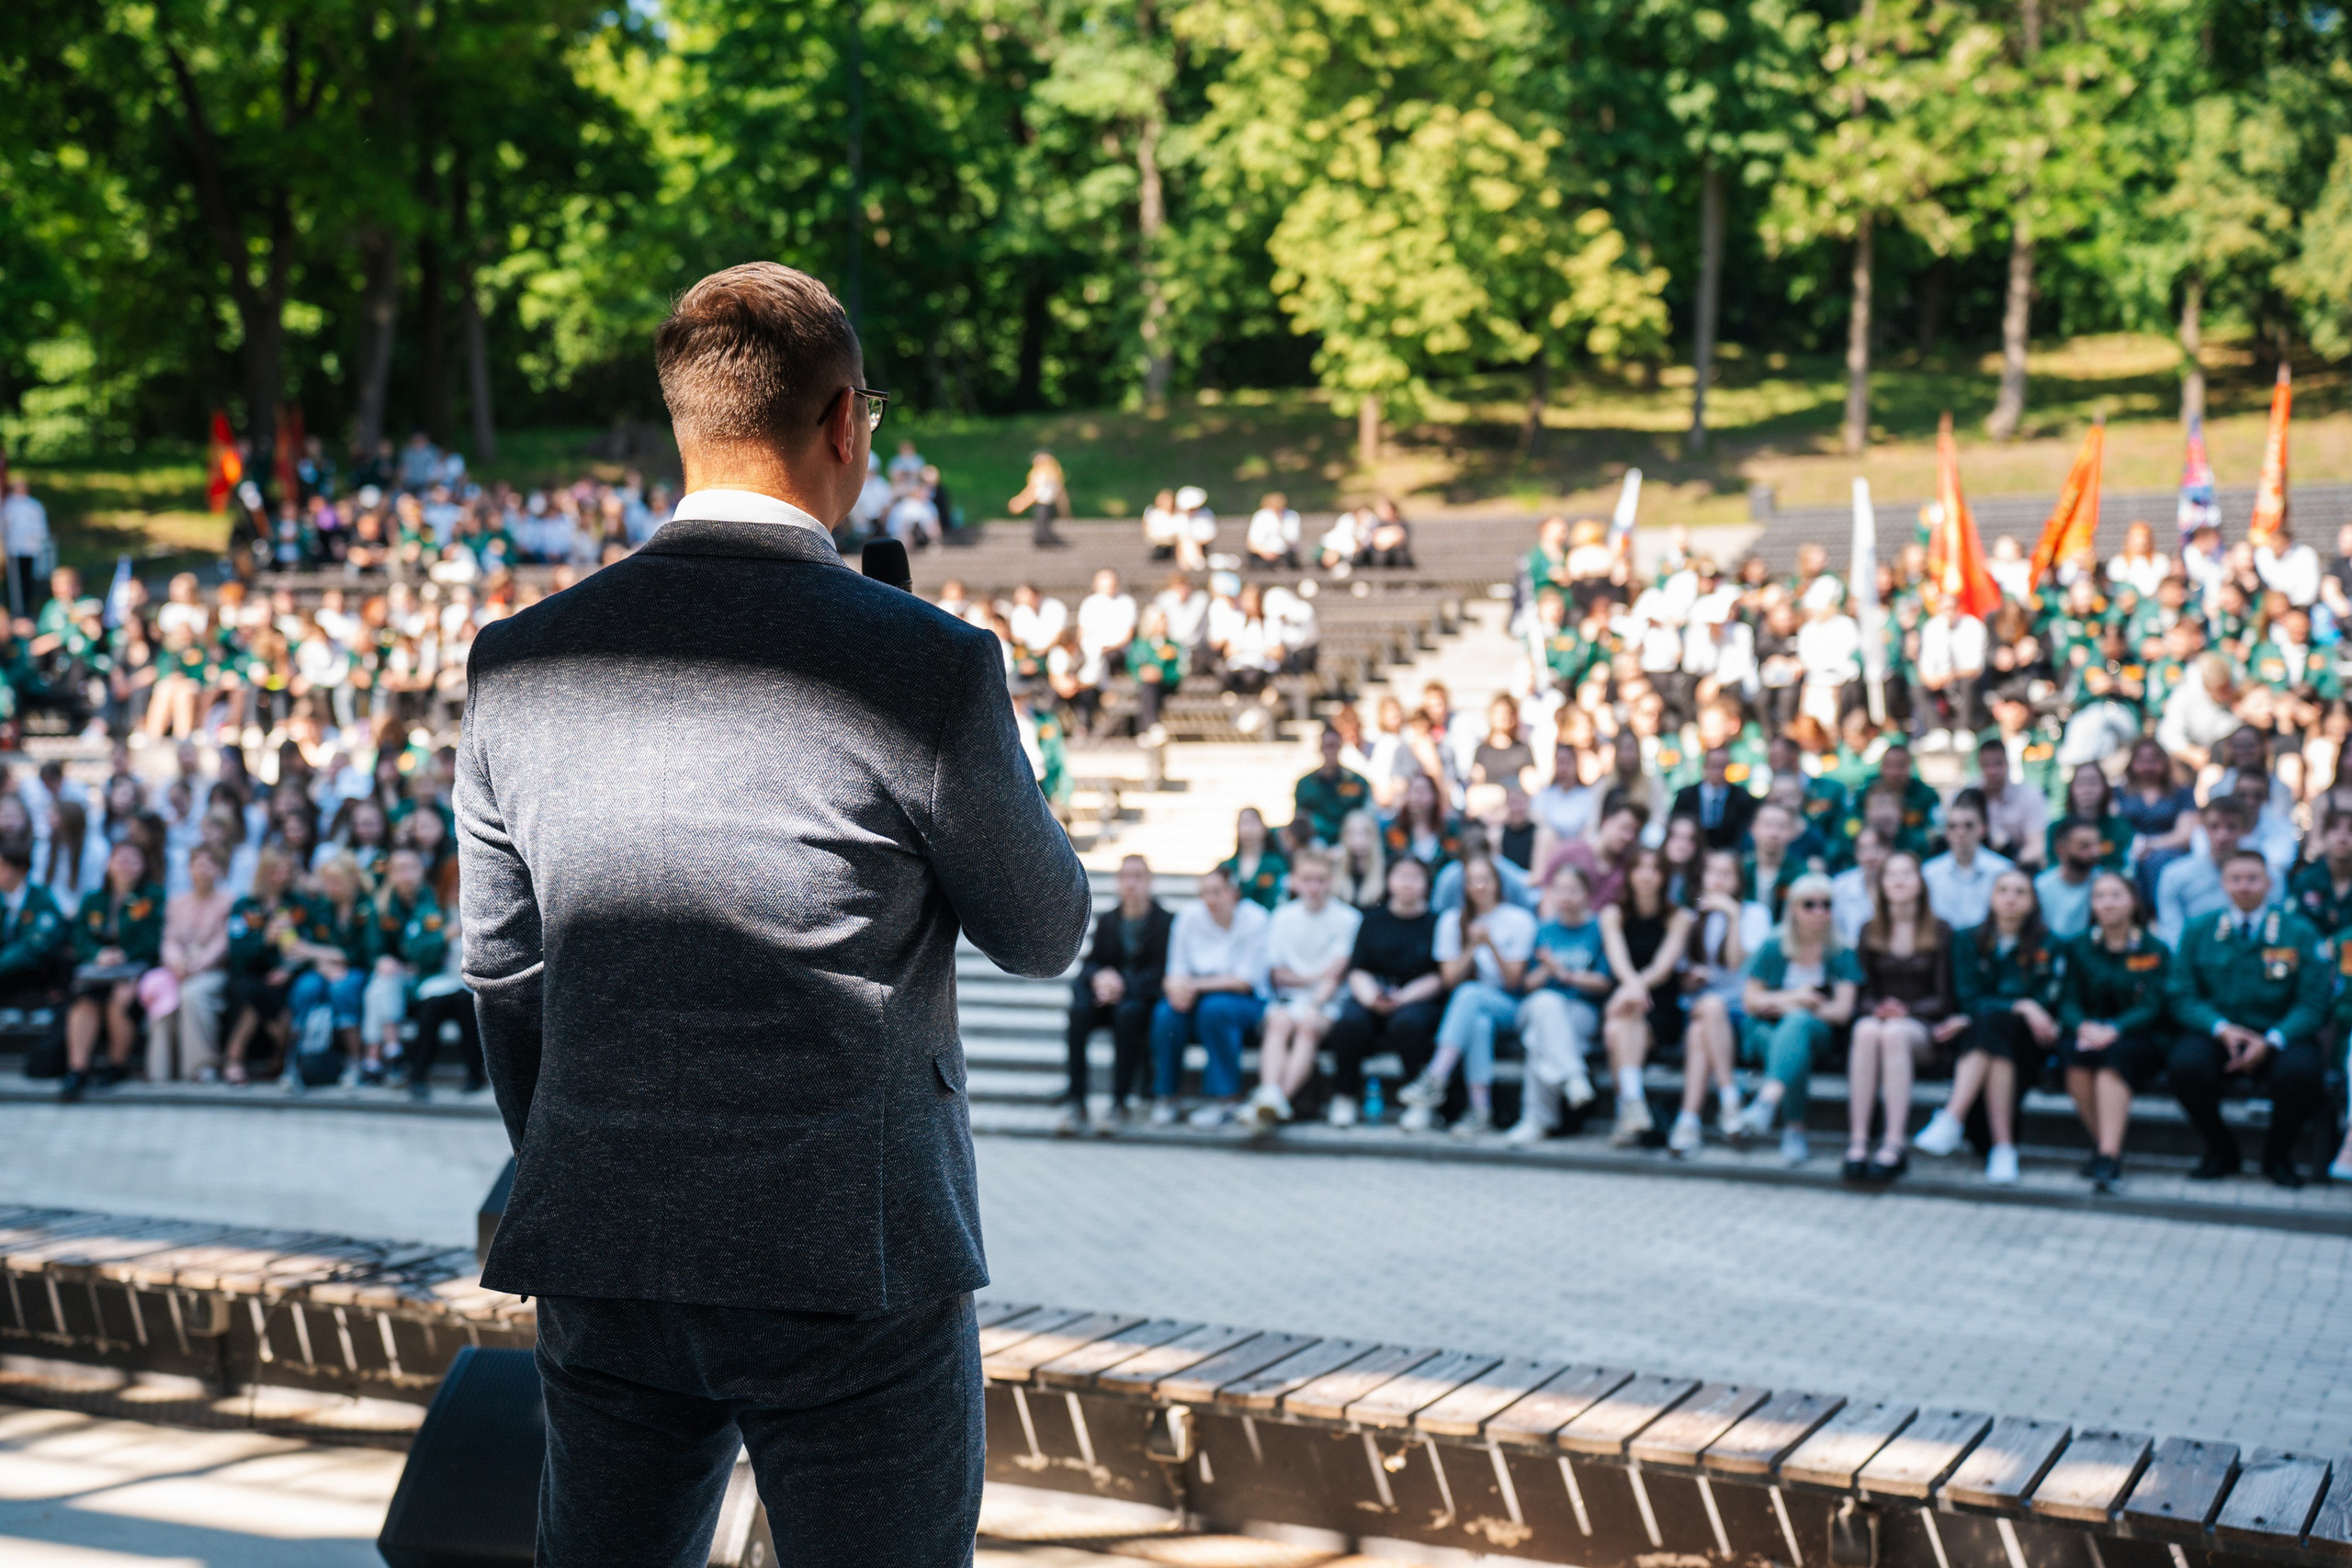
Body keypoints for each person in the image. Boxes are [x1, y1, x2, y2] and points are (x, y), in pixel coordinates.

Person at [455, 263, 1091, 1566]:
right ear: (848, 422)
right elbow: (1045, 928)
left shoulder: (518, 661)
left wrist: (583, 1150)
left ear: (685, 425)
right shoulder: (926, 662)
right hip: (848, 1253)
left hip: (604, 1236)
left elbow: (503, 976)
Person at [2164, 852, 2330, 1187]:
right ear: (2223, 884)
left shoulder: (2298, 932)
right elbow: (2181, 993)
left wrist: (2272, 1039)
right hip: (2218, 1031)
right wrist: (2221, 1029)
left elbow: (2314, 1001)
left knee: (2302, 1072)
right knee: (2185, 1067)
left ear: (2269, 884)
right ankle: (2221, 1150)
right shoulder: (2199, 929)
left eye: (2253, 878)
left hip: (2280, 1033)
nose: (2244, 886)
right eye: (2235, 878)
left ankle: (2277, 1155)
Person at [1914, 868, 2057, 1184]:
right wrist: (2020, 1004)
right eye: (2003, 890)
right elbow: (1967, 998)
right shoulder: (1967, 939)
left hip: (2028, 1043)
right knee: (1992, 1026)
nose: (2010, 898)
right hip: (1982, 1038)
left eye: (2020, 892)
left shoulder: (2049, 943)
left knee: (1992, 1023)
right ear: (1991, 897)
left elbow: (2047, 1001)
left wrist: (2015, 1007)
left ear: (2033, 902)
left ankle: (1952, 1116)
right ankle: (2003, 1148)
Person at [1845, 852, 1963, 1181]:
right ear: (1881, 885)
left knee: (1893, 1032)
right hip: (1881, 1021)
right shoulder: (1869, 930)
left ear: (1920, 883)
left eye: (1907, 874)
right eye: (1891, 875)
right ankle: (1858, 1141)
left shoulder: (1941, 931)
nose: (1898, 881)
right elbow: (1862, 993)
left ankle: (1893, 1143)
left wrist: (1905, 1011)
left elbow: (1945, 997)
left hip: (1924, 1028)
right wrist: (1879, 1009)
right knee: (1866, 1030)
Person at [1398, 854, 1535, 1136]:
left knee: (1470, 994)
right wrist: (1472, 947)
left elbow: (1513, 982)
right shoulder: (1451, 921)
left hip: (1510, 1007)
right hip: (1472, 1009)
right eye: (1473, 881)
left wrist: (1492, 945)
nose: (1479, 887)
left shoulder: (1519, 920)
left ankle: (1435, 1076)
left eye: (1485, 880)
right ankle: (1480, 1110)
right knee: (1477, 1021)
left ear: (1497, 883)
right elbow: (1449, 980)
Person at [2054, 871, 2169, 1190]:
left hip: (2138, 1036)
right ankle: (2107, 1149)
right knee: (2073, 1055)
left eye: (2116, 895)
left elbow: (2154, 1004)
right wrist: (2083, 1026)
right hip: (2088, 1034)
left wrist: (2116, 1028)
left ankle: (2107, 1154)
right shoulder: (2078, 947)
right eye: (2100, 896)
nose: (2108, 903)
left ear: (2133, 901)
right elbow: (2067, 999)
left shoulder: (2154, 948)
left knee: (2113, 1059)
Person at [1736, 872, 1860, 1165]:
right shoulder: (1773, 945)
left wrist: (1799, 1008)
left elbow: (1842, 1011)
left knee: (1797, 1027)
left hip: (1818, 1033)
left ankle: (1767, 1103)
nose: (1819, 911)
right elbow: (1750, 1000)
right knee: (1791, 1046)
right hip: (1765, 1030)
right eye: (1810, 904)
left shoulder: (1841, 951)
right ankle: (1793, 1130)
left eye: (1826, 904)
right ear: (1793, 908)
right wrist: (1794, 999)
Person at [1324, 856, 1443, 1128]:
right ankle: (1344, 1096)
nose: (1407, 883)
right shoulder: (1372, 919)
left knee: (1408, 1024)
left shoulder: (1436, 922)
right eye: (1401, 875)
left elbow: (1440, 976)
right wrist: (1371, 997)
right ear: (1389, 880)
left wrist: (1403, 998)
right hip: (1373, 994)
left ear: (1426, 883)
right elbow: (1357, 968)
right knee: (1349, 1023)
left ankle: (1418, 1102)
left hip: (1418, 997)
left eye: (1415, 877)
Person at [1148, 865, 1269, 1127]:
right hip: (1198, 995)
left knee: (1215, 1010)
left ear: (1233, 893)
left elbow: (1244, 980)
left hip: (1245, 1001)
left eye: (1217, 893)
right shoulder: (1188, 917)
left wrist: (1194, 986)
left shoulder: (1255, 918)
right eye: (1204, 893)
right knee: (1166, 1014)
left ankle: (1225, 1098)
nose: (1210, 900)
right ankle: (1167, 1095)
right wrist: (1176, 990)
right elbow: (1175, 970)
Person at [1248, 849, 1361, 1127]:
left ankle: (1272, 1102)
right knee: (1278, 1023)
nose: (1314, 887)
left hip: (1327, 1002)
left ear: (1331, 880)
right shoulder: (1283, 917)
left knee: (1308, 1026)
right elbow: (1277, 974)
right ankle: (1272, 1098)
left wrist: (1314, 1000)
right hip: (1288, 1000)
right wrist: (1315, 977)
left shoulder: (1348, 919)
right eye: (1308, 879)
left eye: (1321, 880)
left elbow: (1336, 974)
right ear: (1295, 881)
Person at [1062, 854, 1171, 1134]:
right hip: (1107, 999)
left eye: (1138, 876)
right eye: (1125, 877)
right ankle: (1077, 1101)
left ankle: (1120, 1102)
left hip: (1140, 1001)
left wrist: (1121, 985)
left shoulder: (1165, 921)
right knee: (1078, 1012)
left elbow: (1161, 972)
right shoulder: (1109, 920)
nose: (1131, 884)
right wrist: (1100, 979)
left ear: (1150, 881)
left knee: (1129, 1013)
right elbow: (1091, 964)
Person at [1665, 848, 1763, 1154]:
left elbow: (1740, 967)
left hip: (1739, 1012)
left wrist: (1733, 916)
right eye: (1712, 872)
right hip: (1698, 1006)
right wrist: (1692, 976)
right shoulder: (1691, 916)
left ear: (1738, 880)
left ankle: (1688, 1120)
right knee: (1708, 1006)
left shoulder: (1755, 914)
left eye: (1726, 874)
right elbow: (1678, 975)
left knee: (1702, 1028)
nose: (1718, 880)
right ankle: (1730, 1100)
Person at [1596, 845, 1694, 1145]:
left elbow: (1662, 968)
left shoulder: (1680, 917)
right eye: (1640, 868)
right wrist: (1631, 989)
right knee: (1621, 1020)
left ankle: (1626, 1111)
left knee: (1617, 1025)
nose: (1647, 876)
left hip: (1660, 1005)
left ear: (1664, 876)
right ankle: (1633, 1103)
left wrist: (1632, 989)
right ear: (1630, 874)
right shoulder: (1612, 913)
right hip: (1627, 999)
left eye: (1655, 869)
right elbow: (1618, 960)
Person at [57, 841, 164, 1101]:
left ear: (143, 866)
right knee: (84, 1001)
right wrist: (98, 954)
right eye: (120, 860)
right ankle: (78, 1069)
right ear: (109, 864)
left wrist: (125, 953)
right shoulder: (94, 898)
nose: (126, 866)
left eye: (133, 860)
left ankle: (117, 1064)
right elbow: (81, 935)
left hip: (135, 968)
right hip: (98, 969)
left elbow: (153, 936)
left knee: (123, 996)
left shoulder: (151, 896)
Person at [152, 841, 232, 1084]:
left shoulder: (228, 901)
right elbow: (170, 940)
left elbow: (223, 941)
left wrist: (201, 964)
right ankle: (161, 1069)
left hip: (213, 970)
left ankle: (200, 1066)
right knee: (162, 994)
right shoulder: (176, 902)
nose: (203, 871)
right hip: (179, 969)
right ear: (189, 869)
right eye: (199, 865)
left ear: (218, 870)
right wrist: (177, 963)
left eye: (210, 866)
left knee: (191, 994)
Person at [2154, 795, 2255, 942]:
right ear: (2202, 827)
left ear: (2245, 829)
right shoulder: (2174, 874)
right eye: (2214, 826)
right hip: (2193, 957)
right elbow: (2171, 930)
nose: (2222, 836)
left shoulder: (2262, 875)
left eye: (2231, 827)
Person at [1921, 790, 2013, 931]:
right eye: (1953, 826)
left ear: (1982, 829)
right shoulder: (1929, 873)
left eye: (1968, 825)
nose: (1960, 832)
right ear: (1946, 832)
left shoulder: (2003, 870)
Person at [1294, 725, 1372, 847]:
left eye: (1334, 746)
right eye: (1327, 746)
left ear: (1340, 747)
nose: (1331, 751)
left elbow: (1366, 815)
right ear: (1320, 748)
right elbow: (1299, 819)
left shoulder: (1357, 782)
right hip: (1315, 843)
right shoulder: (1305, 785)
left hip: (1351, 842)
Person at [1672, 746, 1760, 851]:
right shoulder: (1686, 795)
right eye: (1713, 766)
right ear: (1705, 766)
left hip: (1729, 853)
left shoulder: (1741, 798)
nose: (1718, 771)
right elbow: (1676, 824)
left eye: (1722, 766)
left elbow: (1744, 831)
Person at [1975, 743, 2048, 870]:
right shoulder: (1969, 796)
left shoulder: (2030, 796)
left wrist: (2008, 867)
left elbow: (2037, 846)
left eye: (1998, 764)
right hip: (1977, 865)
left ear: (2008, 764)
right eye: (1986, 765)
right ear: (1979, 767)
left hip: (2017, 864)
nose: (1992, 771)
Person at [2034, 819, 2104, 939]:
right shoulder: (2040, 887)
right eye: (2085, 846)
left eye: (2097, 845)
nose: (2095, 852)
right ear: (2061, 849)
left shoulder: (2105, 883)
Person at [1217, 807, 1288, 910]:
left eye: (1253, 823)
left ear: (1263, 828)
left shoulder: (1275, 864)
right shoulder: (1227, 866)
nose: (1248, 829)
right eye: (1244, 823)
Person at [2, 476, 50, 618]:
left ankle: (26, 606)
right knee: (14, 579)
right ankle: (14, 607)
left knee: (27, 577)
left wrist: (39, 540)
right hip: (13, 548)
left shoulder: (34, 505)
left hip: (29, 548)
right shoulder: (8, 505)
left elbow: (40, 525)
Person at [1008, 448, 1069, 547]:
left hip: (1042, 503)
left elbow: (1033, 491)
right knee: (1043, 524)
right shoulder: (1054, 474)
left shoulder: (1041, 474)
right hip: (1046, 503)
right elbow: (1060, 494)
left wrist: (1021, 503)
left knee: (1042, 525)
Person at [1329, 809, 1388, 909]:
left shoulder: (1386, 871)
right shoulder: (1334, 866)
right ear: (1344, 836)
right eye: (1352, 834)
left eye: (1365, 833)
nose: (1359, 840)